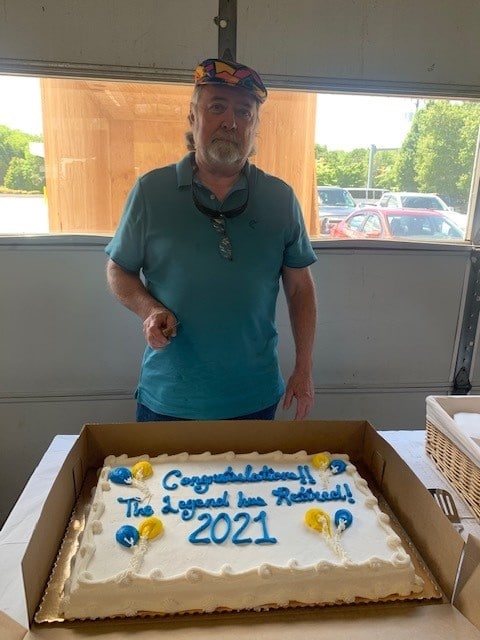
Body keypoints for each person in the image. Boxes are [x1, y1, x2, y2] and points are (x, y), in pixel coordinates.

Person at [105, 58, 317, 422]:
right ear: (193, 117)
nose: (231, 122)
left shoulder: (280, 199)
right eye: (217, 107)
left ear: (255, 125)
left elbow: (300, 288)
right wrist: (150, 310)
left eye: (244, 113)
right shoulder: (150, 192)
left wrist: (303, 368)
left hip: (253, 399)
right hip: (169, 397)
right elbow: (118, 270)